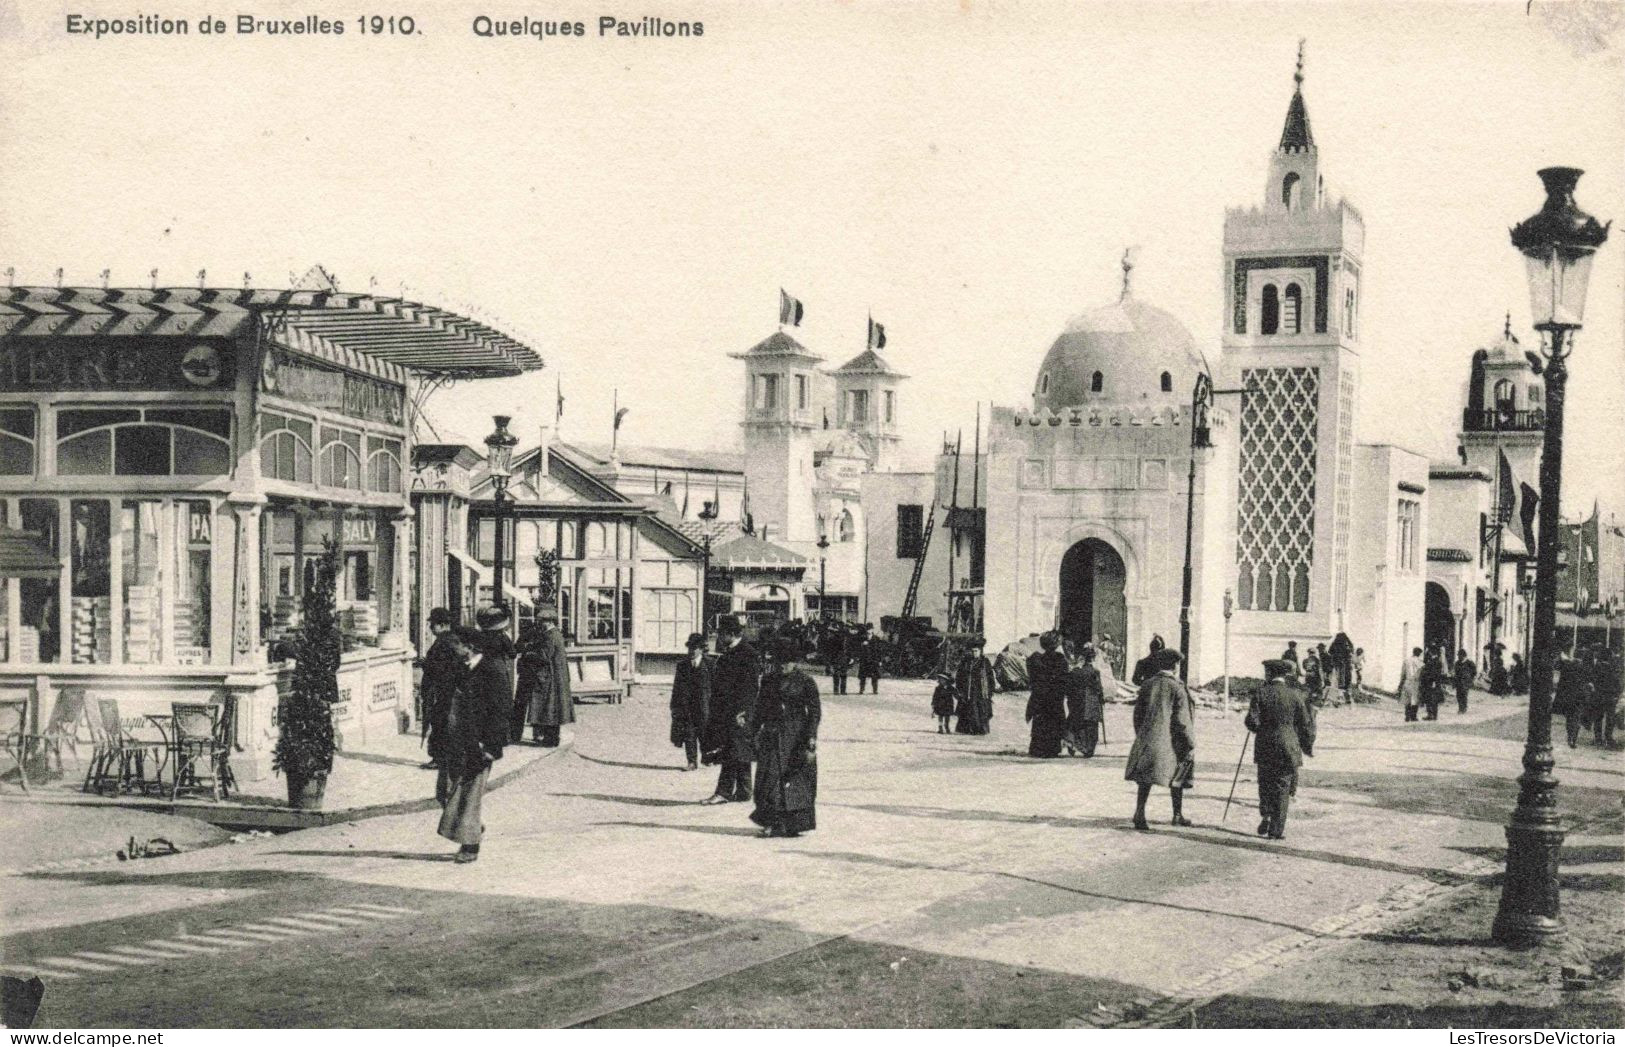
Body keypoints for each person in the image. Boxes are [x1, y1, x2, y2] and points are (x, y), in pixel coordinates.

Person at [434, 627, 507, 864]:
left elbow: (501, 710)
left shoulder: (493, 671)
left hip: (479, 745)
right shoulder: (459, 668)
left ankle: (470, 845)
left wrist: (492, 746)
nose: (453, 649)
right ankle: (474, 827)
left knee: (468, 797)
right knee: (445, 792)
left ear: (469, 647)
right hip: (455, 742)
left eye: (457, 645)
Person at [749, 637, 821, 838]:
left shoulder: (806, 682)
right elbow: (760, 708)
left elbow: (814, 712)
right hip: (772, 735)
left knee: (795, 781)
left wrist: (811, 737)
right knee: (768, 779)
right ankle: (772, 822)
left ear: (795, 662)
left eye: (787, 661)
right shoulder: (768, 680)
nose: (782, 665)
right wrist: (753, 730)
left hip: (796, 736)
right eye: (779, 661)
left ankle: (793, 824)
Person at [1125, 647, 1196, 830]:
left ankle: (1139, 813)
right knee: (1179, 773)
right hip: (1173, 740)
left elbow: (1137, 715)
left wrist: (1142, 734)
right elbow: (1182, 720)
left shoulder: (1148, 684)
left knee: (1145, 778)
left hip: (1148, 738)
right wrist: (1190, 742)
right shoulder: (1177, 686)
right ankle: (1177, 814)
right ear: (1175, 665)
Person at [1246, 659, 1316, 840]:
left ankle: (1266, 814)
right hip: (1288, 746)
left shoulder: (1261, 693)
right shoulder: (1295, 695)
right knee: (1282, 787)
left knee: (1265, 783)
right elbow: (1306, 724)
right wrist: (1307, 746)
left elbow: (1252, 722)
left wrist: (1259, 728)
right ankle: (1276, 830)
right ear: (1284, 675)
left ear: (1269, 674)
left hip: (1265, 746)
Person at [702, 616, 759, 803]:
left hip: (738, 712)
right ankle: (744, 791)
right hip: (728, 710)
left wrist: (743, 712)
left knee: (731, 750)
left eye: (721, 633)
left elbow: (751, 687)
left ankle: (723, 792)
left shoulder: (747, 653)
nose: (718, 636)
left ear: (732, 634)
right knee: (739, 750)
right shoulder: (731, 651)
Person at [520, 607, 574, 747]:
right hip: (556, 676)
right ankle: (552, 738)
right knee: (553, 709)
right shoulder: (556, 634)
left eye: (542, 621)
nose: (540, 624)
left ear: (549, 622)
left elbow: (544, 656)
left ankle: (550, 740)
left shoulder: (550, 636)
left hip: (550, 677)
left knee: (549, 708)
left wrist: (528, 653)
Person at [416, 607, 462, 771]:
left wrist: (425, 664)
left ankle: (439, 758)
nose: (430, 628)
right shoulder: (450, 640)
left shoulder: (446, 642)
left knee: (439, 724)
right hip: (444, 689)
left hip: (442, 690)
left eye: (433, 624)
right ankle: (441, 757)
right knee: (440, 723)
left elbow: (444, 668)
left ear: (442, 625)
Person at [1024, 631, 1070, 758]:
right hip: (1054, 698)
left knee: (1040, 722)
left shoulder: (1035, 659)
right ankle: (1052, 749)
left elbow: (1031, 679)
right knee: (1054, 722)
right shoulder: (1060, 660)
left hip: (1039, 697)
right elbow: (1064, 681)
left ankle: (1038, 748)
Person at [670, 632, 711, 770]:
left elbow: (716, 687)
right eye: (690, 648)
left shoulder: (710, 665)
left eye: (695, 648)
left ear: (701, 649)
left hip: (704, 706)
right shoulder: (682, 666)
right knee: (689, 733)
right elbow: (676, 688)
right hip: (687, 706)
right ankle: (692, 762)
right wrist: (674, 706)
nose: (692, 651)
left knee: (705, 733)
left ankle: (707, 757)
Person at [1064, 643, 1106, 757]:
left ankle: (1072, 744)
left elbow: (1069, 687)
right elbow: (1099, 688)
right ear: (1092, 659)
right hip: (1091, 702)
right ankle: (1088, 749)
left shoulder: (1075, 672)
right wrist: (1102, 699)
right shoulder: (1095, 672)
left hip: (1077, 701)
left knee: (1075, 722)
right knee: (1091, 726)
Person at [954, 637, 997, 735]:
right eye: (973, 651)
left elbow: (990, 677)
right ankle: (969, 730)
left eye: (976, 651)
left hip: (982, 691)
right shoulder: (966, 662)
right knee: (969, 709)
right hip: (969, 690)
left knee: (982, 710)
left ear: (980, 651)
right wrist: (959, 689)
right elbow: (959, 676)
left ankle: (981, 730)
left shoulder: (985, 662)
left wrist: (991, 690)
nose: (974, 653)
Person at [1554, 651, 1591, 748]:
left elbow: (1561, 682)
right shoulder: (1584, 667)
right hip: (1579, 697)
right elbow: (1588, 683)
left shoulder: (1567, 666)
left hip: (1568, 697)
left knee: (1569, 718)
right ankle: (1573, 739)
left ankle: (1570, 737)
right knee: (1576, 718)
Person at [1398, 646, 1422, 722]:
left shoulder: (1406, 661)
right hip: (1416, 682)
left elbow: (1403, 673)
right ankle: (1413, 716)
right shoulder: (1420, 662)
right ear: (1419, 653)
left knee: (1407, 699)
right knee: (1415, 699)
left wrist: (1401, 683)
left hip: (1407, 681)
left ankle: (1407, 716)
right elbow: (1422, 674)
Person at [1329, 631, 1354, 702]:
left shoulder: (1335, 644)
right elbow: (1351, 652)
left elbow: (1330, 651)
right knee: (1347, 681)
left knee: (1340, 681)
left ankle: (1340, 697)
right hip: (1346, 666)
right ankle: (1347, 697)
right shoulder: (1348, 644)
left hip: (1339, 665)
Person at [855, 629, 883, 694]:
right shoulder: (862, 639)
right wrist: (862, 644)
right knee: (863, 676)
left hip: (874, 660)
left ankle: (875, 690)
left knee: (874, 676)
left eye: (870, 632)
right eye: (867, 632)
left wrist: (880, 660)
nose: (868, 633)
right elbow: (858, 648)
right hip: (865, 661)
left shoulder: (877, 639)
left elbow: (880, 651)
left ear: (872, 631)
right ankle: (861, 689)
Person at [1421, 647, 1445, 721]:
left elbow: (1436, 673)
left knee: (1432, 699)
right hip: (1431, 683)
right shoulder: (1434, 661)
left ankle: (1432, 715)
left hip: (1432, 683)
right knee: (1431, 699)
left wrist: (1434, 682)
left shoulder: (1436, 662)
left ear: (1432, 653)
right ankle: (1432, 715)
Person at [827, 626, 852, 695]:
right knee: (840, 674)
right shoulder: (841, 639)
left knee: (839, 674)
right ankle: (840, 691)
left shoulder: (834, 639)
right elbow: (848, 649)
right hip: (841, 658)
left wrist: (850, 658)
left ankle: (838, 690)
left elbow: (849, 650)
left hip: (840, 658)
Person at [1454, 648, 1476, 714]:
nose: (1458, 657)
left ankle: (1463, 708)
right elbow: (1456, 672)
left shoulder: (1469, 663)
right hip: (1459, 681)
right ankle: (1460, 708)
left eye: (1459, 655)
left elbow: (1474, 671)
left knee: (1464, 694)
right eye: (1458, 655)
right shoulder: (1457, 663)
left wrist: (1470, 678)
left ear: (1463, 655)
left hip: (1466, 682)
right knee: (1458, 695)